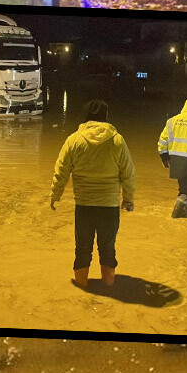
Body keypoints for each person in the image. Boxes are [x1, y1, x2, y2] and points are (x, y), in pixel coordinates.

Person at [50, 100, 135, 287]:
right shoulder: (117, 140)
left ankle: (82, 290)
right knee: (107, 249)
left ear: (85, 117)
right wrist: (128, 199)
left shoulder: (74, 140)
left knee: (82, 249)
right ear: (105, 117)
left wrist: (55, 195)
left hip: (84, 205)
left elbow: (61, 171)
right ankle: (108, 289)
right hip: (109, 207)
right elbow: (128, 173)